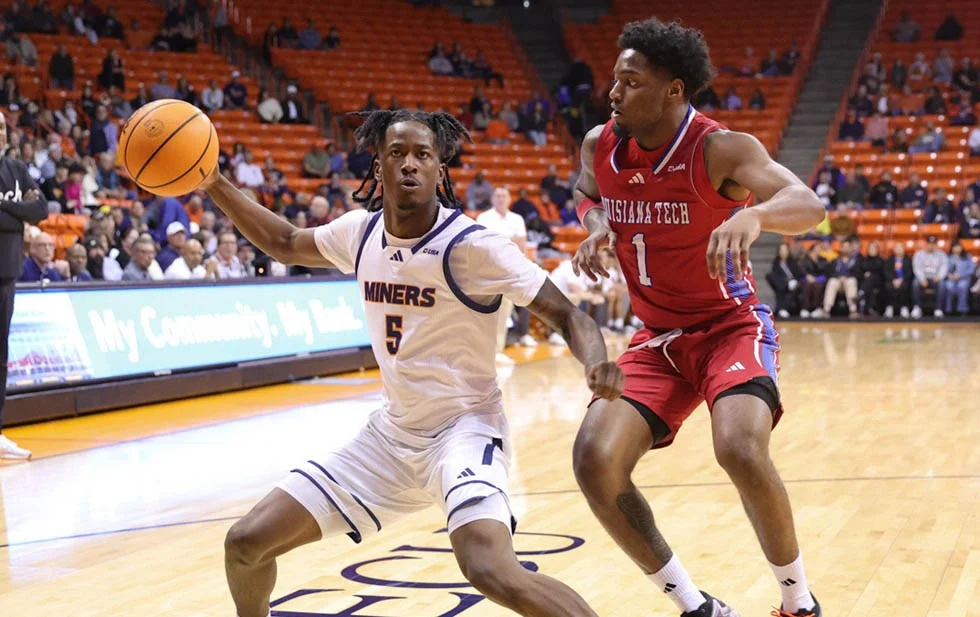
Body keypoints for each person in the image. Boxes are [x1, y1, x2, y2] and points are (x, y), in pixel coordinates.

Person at [198, 108, 624, 617]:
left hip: (464, 430)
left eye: (422, 154)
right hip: (389, 438)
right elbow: (285, 242)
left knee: (489, 568)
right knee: (245, 543)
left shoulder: (473, 246)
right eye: (396, 153)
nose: (409, 164)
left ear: (439, 169)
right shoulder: (358, 233)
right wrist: (214, 182)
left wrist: (596, 362)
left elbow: (568, 314)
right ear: (377, 165)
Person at [570, 18, 825, 617]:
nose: (613, 93)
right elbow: (587, 192)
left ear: (674, 90)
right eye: (615, 80)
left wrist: (755, 215)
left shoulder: (720, 149)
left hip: (729, 327)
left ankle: (798, 602)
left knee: (738, 446)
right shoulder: (599, 143)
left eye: (631, 82)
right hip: (657, 338)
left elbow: (808, 204)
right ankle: (696, 606)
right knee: (594, 459)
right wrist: (597, 224)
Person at [0, 112, 46, 459]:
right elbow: (25, 212)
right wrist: (18, 211)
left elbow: (40, 209)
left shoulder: (15, 168)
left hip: (7, 274)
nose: (0, 133)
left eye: (2, 128)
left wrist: (5, 206)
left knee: (0, 357)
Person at [478, 186, 535, 362]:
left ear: (509, 199)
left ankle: (499, 350)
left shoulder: (517, 219)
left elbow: (521, 244)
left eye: (504, 195)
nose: (501, 198)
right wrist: (509, 240)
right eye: (498, 195)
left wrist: (498, 240)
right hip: (488, 271)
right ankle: (484, 351)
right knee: (487, 312)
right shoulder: (483, 217)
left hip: (511, 269)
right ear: (492, 199)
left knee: (506, 310)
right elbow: (483, 245)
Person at [912, 235, 948, 318]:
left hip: (935, 278)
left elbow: (944, 267)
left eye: (933, 244)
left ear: (936, 245)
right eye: (929, 244)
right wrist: (922, 279)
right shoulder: (919, 254)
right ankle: (917, 307)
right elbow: (917, 268)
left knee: (942, 284)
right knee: (915, 283)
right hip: (923, 278)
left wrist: (939, 276)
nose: (931, 246)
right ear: (926, 244)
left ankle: (938, 309)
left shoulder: (941, 254)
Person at [766, 243, 802, 318]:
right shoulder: (776, 263)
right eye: (781, 250)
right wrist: (786, 283)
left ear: (788, 251)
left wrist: (794, 282)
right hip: (783, 285)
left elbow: (798, 274)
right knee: (773, 279)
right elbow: (776, 276)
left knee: (782, 286)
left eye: (785, 250)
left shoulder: (792, 261)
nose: (783, 252)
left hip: (795, 284)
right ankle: (782, 309)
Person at [942, 242, 974, 315]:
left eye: (958, 247)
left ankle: (962, 309)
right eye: (955, 247)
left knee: (962, 286)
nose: (956, 249)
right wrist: (948, 275)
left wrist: (961, 275)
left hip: (964, 278)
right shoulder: (948, 257)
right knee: (949, 286)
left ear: (961, 248)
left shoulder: (967, 257)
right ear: (952, 248)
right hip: (950, 278)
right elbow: (944, 268)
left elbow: (971, 269)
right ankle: (948, 309)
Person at [884, 242, 913, 318]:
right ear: (894, 250)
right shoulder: (889, 260)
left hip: (904, 280)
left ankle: (904, 307)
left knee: (905, 286)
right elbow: (886, 271)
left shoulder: (908, 260)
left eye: (900, 248)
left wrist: (901, 280)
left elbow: (910, 272)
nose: (899, 250)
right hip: (892, 280)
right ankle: (889, 307)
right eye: (897, 248)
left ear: (904, 249)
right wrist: (893, 279)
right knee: (887, 286)